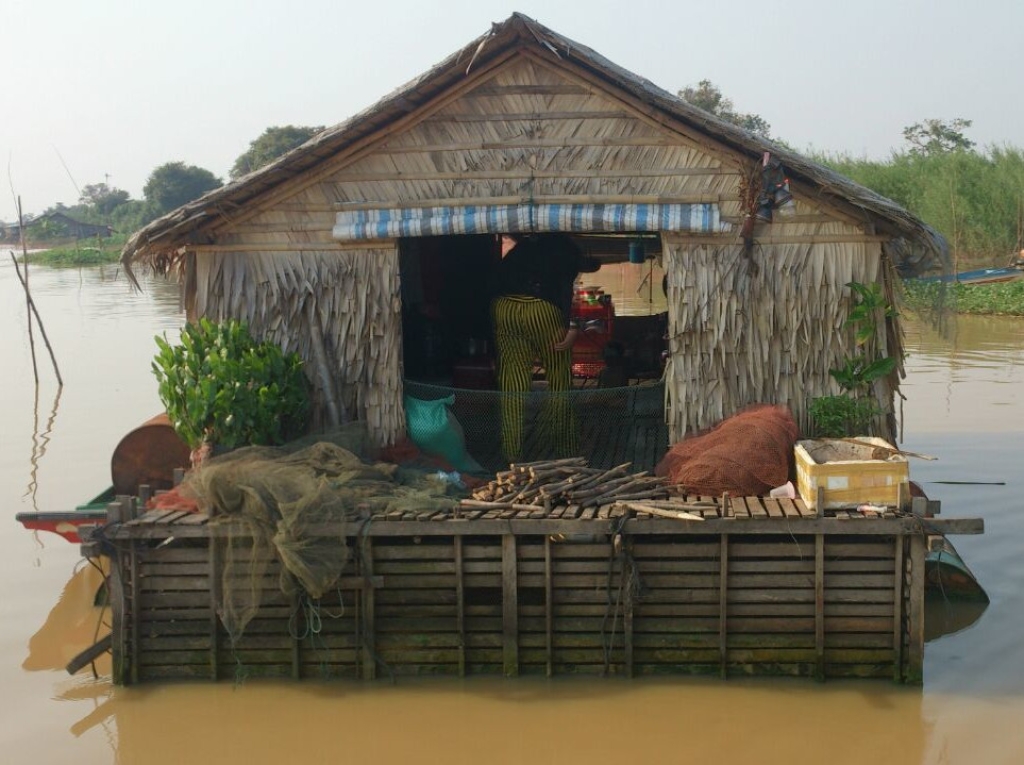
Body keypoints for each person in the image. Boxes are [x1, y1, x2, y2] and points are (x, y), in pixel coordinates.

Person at [491, 233, 600, 462]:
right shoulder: (565, 249)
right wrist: (567, 327)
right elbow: (563, 290)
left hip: (504, 307)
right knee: (559, 379)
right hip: (542, 309)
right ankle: (565, 449)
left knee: (513, 384)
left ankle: (511, 453)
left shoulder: (522, 248)